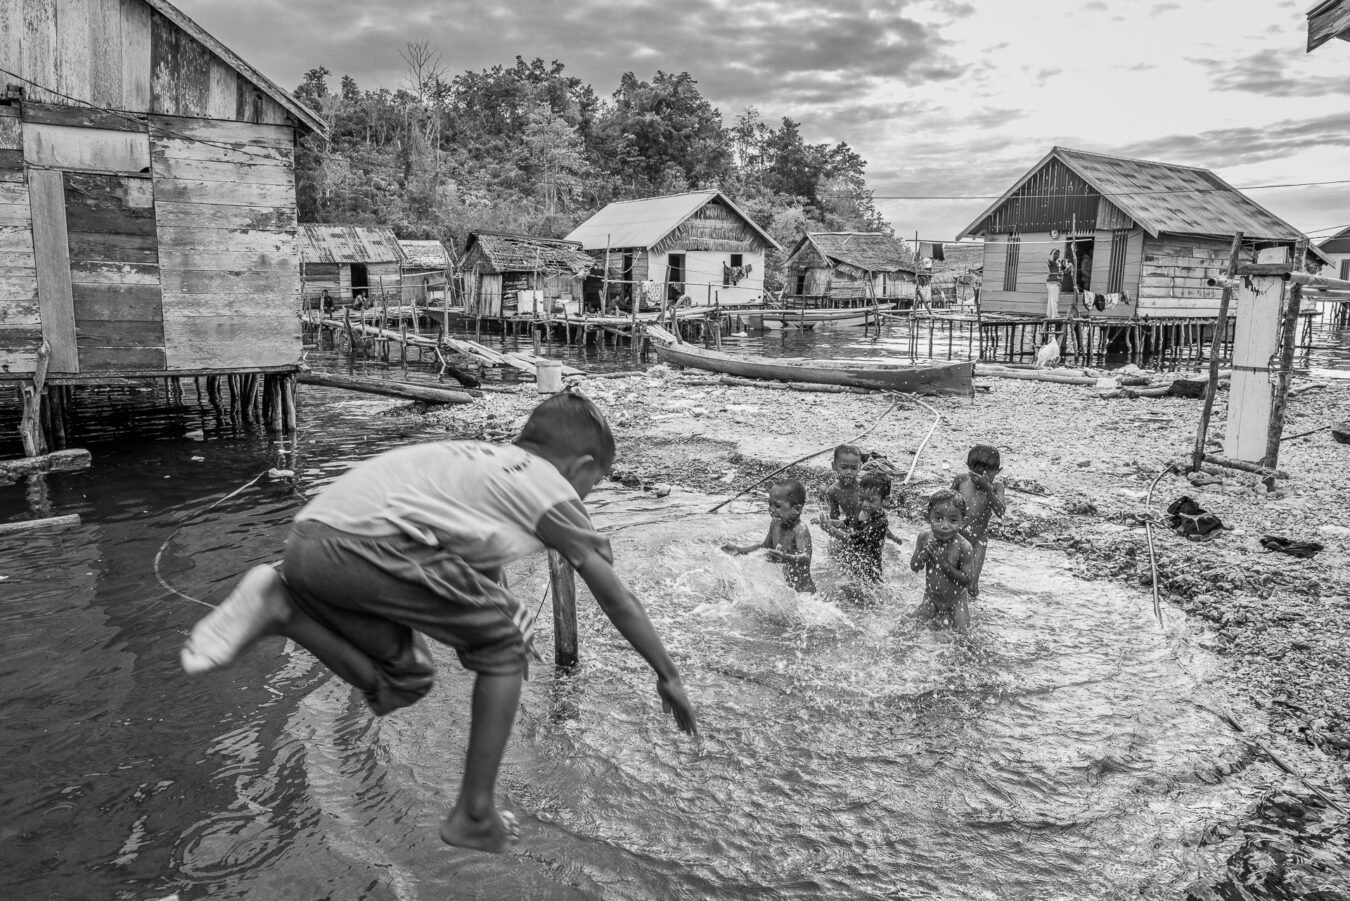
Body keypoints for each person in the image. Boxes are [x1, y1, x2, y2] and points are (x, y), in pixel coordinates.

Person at [180, 391, 697, 854]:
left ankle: (281, 608)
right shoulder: (548, 488)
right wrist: (666, 673)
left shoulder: (487, 465)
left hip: (309, 547)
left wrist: (503, 627)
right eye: (598, 482)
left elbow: (480, 558)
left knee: (406, 681)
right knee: (502, 643)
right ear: (584, 466)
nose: (591, 493)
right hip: (361, 548)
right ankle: (474, 811)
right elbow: (618, 598)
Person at [721, 480, 815, 593]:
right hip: (790, 592)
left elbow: (805, 558)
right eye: (770, 504)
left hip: (806, 594)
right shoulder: (775, 525)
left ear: (797, 509)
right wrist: (739, 550)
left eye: (777, 506)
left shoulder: (800, 530)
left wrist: (786, 558)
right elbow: (764, 547)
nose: (771, 509)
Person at [815, 471, 894, 596]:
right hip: (854, 561)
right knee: (847, 590)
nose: (865, 504)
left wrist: (829, 529)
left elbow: (852, 540)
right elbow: (846, 523)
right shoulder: (859, 507)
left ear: (885, 501)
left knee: (870, 595)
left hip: (870, 569)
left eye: (871, 500)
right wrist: (828, 522)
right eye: (861, 498)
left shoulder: (880, 522)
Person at [911, 489, 975, 631]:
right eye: (938, 518)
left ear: (962, 522)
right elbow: (914, 566)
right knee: (912, 627)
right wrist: (923, 555)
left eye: (953, 520)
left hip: (956, 601)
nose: (945, 525)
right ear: (928, 518)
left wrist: (944, 564)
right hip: (931, 597)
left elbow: (966, 580)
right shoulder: (924, 537)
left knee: (963, 634)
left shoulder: (964, 547)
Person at [951, 445, 1006, 599]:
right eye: (976, 472)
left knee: (972, 584)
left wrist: (988, 490)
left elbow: (1001, 511)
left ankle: (972, 613)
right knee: (949, 575)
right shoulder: (961, 479)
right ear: (968, 467)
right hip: (956, 537)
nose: (982, 476)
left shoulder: (996, 487)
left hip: (977, 542)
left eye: (988, 473)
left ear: (998, 471)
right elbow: (946, 500)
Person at [824, 444, 863, 524]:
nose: (849, 472)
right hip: (852, 526)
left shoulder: (864, 487)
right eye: (844, 467)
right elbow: (834, 518)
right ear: (834, 466)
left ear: (860, 467)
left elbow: (877, 515)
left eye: (854, 468)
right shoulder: (832, 492)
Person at [1045, 249, 1063, 319]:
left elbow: (1063, 272)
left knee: (1050, 300)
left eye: (1058, 254)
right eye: (1055, 254)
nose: (1057, 255)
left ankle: (1049, 315)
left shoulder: (1057, 263)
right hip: (1053, 284)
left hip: (1052, 283)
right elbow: (1049, 259)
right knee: (1054, 300)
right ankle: (1054, 316)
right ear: (1052, 255)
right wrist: (1052, 254)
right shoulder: (1051, 262)